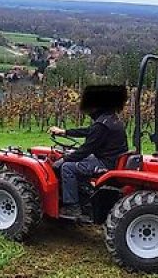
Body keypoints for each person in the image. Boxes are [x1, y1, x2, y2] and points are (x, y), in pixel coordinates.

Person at [49, 84, 128, 218]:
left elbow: (85, 150)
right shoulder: (111, 119)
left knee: (67, 167)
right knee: (77, 160)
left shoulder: (101, 125)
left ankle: (72, 206)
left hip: (105, 164)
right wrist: (65, 132)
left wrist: (64, 159)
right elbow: (90, 131)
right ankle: (83, 194)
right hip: (112, 159)